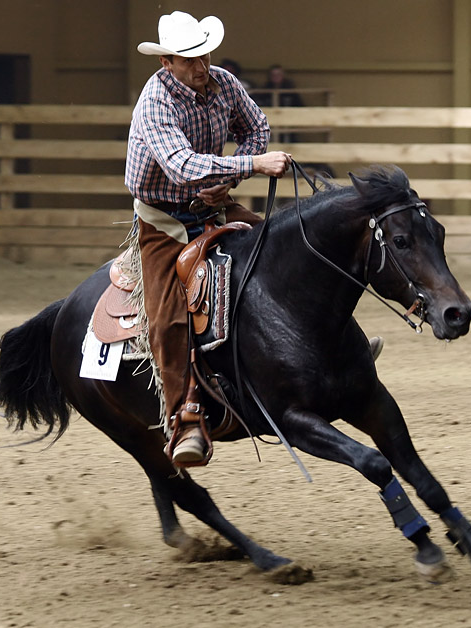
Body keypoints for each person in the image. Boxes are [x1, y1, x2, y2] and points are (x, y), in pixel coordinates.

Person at [126, 11, 291, 466]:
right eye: (189, 58)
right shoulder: (155, 102)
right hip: (163, 221)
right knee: (167, 319)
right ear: (167, 63)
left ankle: (327, 347)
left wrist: (230, 181)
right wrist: (249, 167)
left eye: (204, 54)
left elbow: (255, 127)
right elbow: (179, 165)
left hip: (212, 205)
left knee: (282, 253)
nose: (201, 65)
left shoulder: (223, 82)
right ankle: (186, 419)